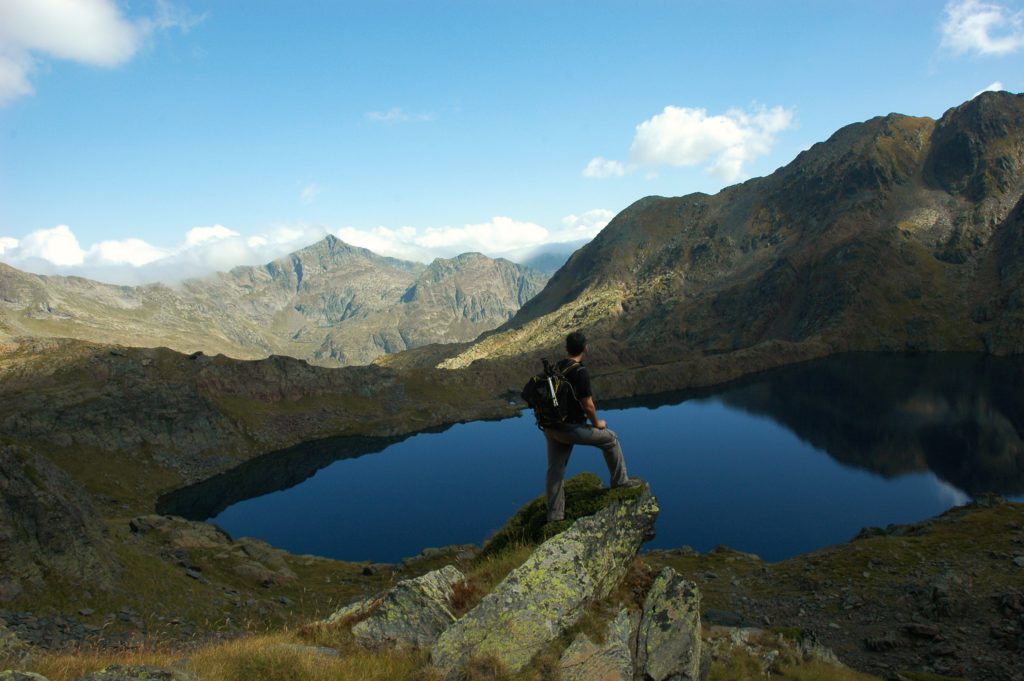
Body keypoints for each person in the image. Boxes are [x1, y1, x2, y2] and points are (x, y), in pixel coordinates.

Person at [543, 330, 641, 522]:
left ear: (566, 349)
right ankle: (621, 482)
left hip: (551, 427)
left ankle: (554, 516)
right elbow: (587, 404)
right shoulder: (580, 371)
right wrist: (597, 423)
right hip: (570, 428)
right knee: (611, 440)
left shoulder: (557, 367)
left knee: (555, 469)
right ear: (585, 348)